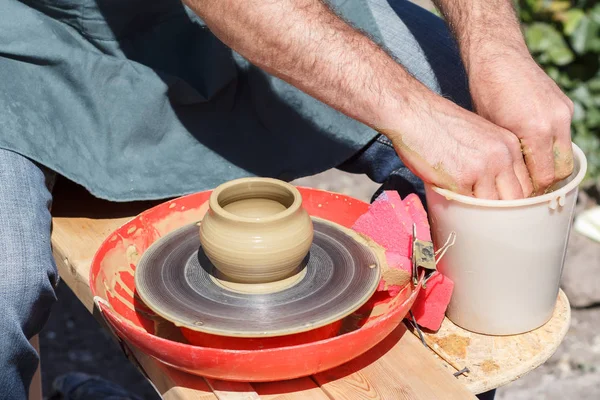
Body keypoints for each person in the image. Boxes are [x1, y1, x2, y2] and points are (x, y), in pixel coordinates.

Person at [0, 0, 574, 398]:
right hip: (34, 37)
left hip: (302, 13)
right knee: (5, 285)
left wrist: (498, 52)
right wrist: (414, 112)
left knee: (492, 179)